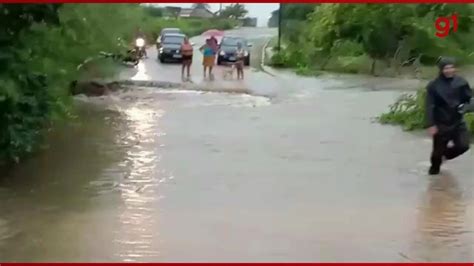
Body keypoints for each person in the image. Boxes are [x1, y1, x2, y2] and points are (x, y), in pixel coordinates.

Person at [425, 56, 472, 175]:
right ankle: (434, 187)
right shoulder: (433, 86)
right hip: (441, 124)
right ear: (441, 69)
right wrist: (431, 124)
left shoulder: (461, 82)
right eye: (446, 68)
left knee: (464, 146)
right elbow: (429, 105)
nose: (449, 70)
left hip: (457, 122)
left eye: (451, 68)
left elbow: (470, 99)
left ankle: (445, 156)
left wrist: (465, 108)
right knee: (436, 159)